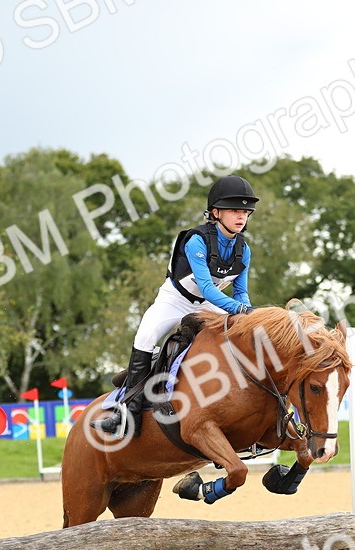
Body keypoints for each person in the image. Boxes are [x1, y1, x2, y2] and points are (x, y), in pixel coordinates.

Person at [91, 174, 259, 437]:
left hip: (208, 306)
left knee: (243, 336)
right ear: (215, 212)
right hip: (175, 301)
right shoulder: (197, 241)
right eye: (235, 210)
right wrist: (240, 310)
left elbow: (242, 293)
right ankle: (127, 413)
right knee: (146, 336)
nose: (241, 217)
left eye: (245, 212)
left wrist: (247, 313)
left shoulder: (243, 249)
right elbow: (207, 288)